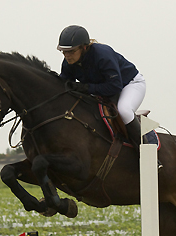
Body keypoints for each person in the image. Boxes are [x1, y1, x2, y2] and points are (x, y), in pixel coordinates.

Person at [58, 25, 160, 167]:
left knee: (123, 110)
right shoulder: (69, 62)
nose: (67, 56)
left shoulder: (102, 54)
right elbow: (64, 84)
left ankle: (147, 154)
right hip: (104, 89)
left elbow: (114, 86)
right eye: (64, 52)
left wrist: (86, 88)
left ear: (84, 47)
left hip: (129, 84)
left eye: (71, 51)